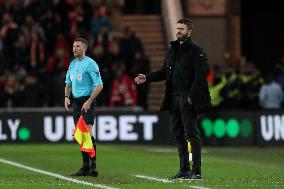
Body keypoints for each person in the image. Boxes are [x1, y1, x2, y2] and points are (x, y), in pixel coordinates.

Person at [134, 18, 211, 180]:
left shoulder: (197, 51)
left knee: (191, 134)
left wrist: (191, 96)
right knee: (178, 134)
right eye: (177, 28)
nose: (178, 31)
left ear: (189, 32)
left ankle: (196, 171)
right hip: (173, 97)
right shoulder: (173, 50)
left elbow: (201, 76)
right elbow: (164, 72)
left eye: (182, 29)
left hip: (186, 97)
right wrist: (146, 78)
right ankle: (184, 170)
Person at [64, 37, 103, 177]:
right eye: (74, 46)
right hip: (76, 102)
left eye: (78, 46)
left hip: (87, 99)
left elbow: (99, 85)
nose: (74, 48)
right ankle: (86, 166)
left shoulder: (91, 64)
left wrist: (90, 101)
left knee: (87, 130)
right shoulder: (73, 64)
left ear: (84, 48)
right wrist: (66, 97)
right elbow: (68, 83)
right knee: (80, 133)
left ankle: (93, 166)